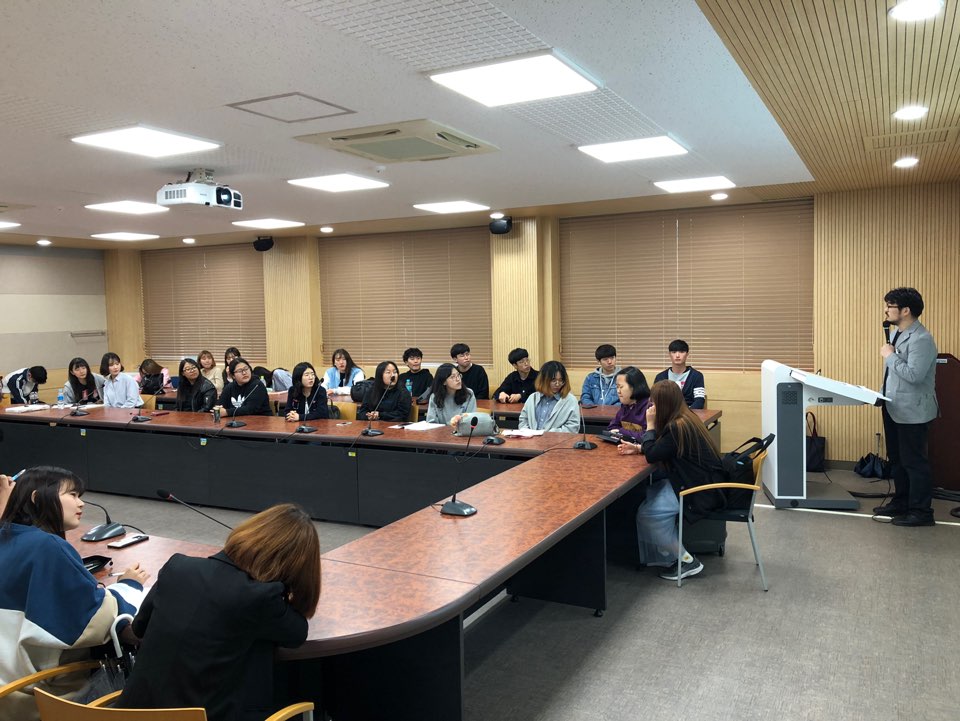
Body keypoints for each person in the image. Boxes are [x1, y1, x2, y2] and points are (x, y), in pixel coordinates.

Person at [116, 504, 320, 721]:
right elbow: (297, 633)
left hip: (127, 715)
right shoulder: (260, 597)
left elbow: (139, 627)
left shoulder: (178, 567)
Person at [0, 467, 148, 720]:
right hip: (36, 699)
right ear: (37, 498)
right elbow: (94, 622)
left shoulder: (8, 535)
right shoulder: (46, 546)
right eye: (72, 494)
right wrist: (128, 586)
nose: (81, 503)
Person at [618, 380, 726, 581]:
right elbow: (663, 448)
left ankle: (686, 560)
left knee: (647, 515)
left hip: (698, 490)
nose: (651, 407)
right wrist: (639, 448)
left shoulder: (677, 426)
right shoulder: (685, 417)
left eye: (654, 403)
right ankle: (668, 551)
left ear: (665, 404)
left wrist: (650, 426)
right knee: (647, 494)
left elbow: (653, 455)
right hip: (698, 481)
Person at [873, 287, 939, 527]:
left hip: (913, 411)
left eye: (889, 306)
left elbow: (914, 375)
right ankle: (901, 502)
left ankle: (921, 511)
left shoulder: (922, 339)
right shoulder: (897, 334)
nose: (886, 310)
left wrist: (890, 356)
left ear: (905, 310)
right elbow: (894, 374)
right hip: (894, 407)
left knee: (914, 462)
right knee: (898, 460)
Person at [518, 360, 581, 433]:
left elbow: (573, 428)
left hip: (557, 439)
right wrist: (528, 432)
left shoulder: (570, 400)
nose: (557, 384)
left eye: (561, 380)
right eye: (553, 380)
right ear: (543, 380)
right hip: (531, 438)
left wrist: (549, 435)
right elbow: (523, 421)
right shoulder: (532, 398)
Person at [654, 339, 706, 409]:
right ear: (669, 354)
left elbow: (699, 401)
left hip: (689, 413)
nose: (677, 355)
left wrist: (687, 413)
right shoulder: (660, 377)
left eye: (681, 352)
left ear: (687, 354)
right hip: (666, 413)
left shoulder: (696, 376)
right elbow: (655, 400)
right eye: (674, 352)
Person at [606, 367, 652, 440]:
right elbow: (612, 427)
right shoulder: (625, 406)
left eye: (621, 387)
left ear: (634, 387)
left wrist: (621, 432)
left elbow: (647, 436)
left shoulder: (650, 407)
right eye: (617, 387)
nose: (618, 391)